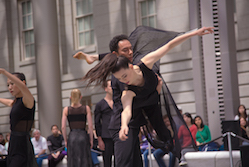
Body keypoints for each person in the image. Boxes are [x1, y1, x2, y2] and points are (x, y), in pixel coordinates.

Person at [82, 27, 214, 166]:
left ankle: (176, 152)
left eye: (124, 76)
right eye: (120, 78)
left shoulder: (145, 63)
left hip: (143, 114)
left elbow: (169, 45)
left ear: (131, 67)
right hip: (124, 125)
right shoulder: (126, 89)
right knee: (125, 163)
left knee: (140, 159)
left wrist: (194, 33)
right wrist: (124, 125)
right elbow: (126, 110)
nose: (124, 80)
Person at [0, 69, 38, 167]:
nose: (10, 87)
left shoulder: (28, 100)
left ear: (22, 83)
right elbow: (9, 102)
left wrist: (3, 72)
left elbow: (23, 87)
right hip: (13, 143)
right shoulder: (16, 102)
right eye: (8, 85)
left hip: (22, 145)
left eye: (12, 83)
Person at [61, 89, 93, 167]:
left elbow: (63, 127)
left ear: (70, 97)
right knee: (84, 159)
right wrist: (91, 139)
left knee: (73, 160)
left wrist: (65, 140)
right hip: (83, 136)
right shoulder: (86, 108)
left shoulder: (66, 110)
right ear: (81, 97)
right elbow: (90, 126)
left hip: (72, 137)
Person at [94, 79, 115, 167]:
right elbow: (97, 122)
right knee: (107, 161)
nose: (113, 88)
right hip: (106, 137)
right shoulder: (100, 105)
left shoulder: (118, 102)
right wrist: (99, 139)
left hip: (118, 135)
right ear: (106, 88)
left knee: (120, 160)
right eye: (111, 86)